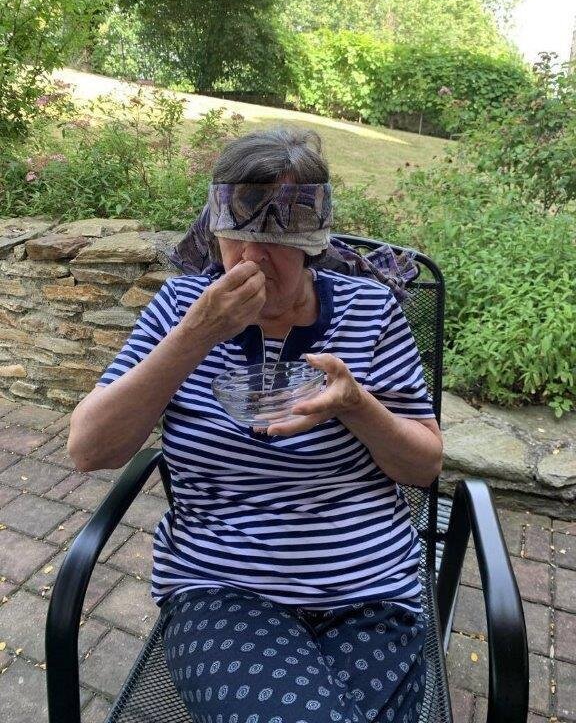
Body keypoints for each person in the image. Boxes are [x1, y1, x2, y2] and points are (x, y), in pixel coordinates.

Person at [68, 127, 443, 723]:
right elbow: (89, 450)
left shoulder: (371, 311)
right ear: (213, 227)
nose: (249, 259)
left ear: (313, 239)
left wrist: (357, 406)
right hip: (221, 586)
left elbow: (423, 467)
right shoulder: (181, 309)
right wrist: (194, 338)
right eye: (235, 235)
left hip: (371, 589)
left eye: (276, 238)